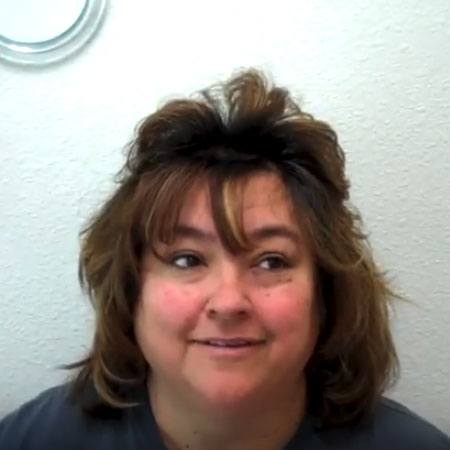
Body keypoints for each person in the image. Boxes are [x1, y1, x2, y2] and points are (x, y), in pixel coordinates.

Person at [0, 69, 448, 450]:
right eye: (187, 260)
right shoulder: (33, 440)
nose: (229, 302)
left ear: (326, 293)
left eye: (271, 262)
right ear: (132, 290)